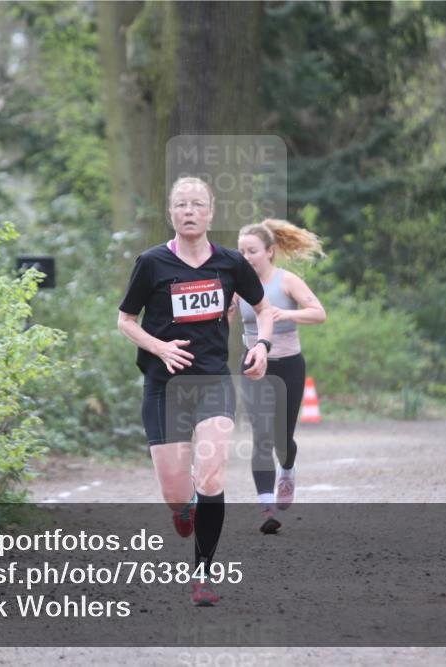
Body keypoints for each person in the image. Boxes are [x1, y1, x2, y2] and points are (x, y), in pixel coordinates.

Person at [118, 176, 274, 606]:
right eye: (181, 204)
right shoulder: (151, 263)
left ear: (210, 214)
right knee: (174, 492)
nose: (189, 211)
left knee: (211, 473)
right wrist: (159, 346)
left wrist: (262, 345)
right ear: (171, 213)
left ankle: (202, 575)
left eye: (197, 204)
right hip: (163, 387)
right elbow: (126, 320)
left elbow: (263, 310)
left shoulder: (229, 264)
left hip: (212, 382)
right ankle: (182, 506)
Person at [229, 219, 326, 535]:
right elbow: (223, 318)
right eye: (241, 251)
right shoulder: (236, 285)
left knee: (283, 439)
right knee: (261, 434)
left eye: (252, 251)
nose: (245, 257)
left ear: (269, 252)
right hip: (254, 366)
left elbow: (318, 313)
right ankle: (266, 506)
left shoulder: (286, 282)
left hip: (288, 366)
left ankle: (287, 468)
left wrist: (287, 314)